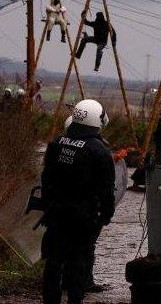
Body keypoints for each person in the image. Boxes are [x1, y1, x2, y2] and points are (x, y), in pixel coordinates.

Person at [40, 99, 115, 304]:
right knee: (78, 264)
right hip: (84, 218)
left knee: (53, 262)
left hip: (56, 214)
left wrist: (48, 207)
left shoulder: (56, 144)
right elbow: (107, 190)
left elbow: (46, 180)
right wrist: (106, 215)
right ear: (95, 119)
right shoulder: (99, 151)